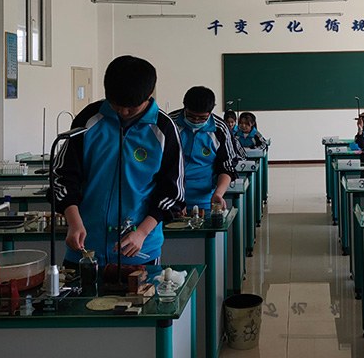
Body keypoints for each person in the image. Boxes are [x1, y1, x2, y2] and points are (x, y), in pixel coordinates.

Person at [52, 55, 184, 268]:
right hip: (85, 248)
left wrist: (142, 233)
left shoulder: (164, 129)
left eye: (131, 108)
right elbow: (62, 176)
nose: (123, 112)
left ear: (149, 96)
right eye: (116, 105)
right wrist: (74, 223)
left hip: (139, 249)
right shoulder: (88, 119)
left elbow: (172, 191)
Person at [169, 86, 238, 215]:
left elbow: (227, 167)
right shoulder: (170, 123)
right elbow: (159, 164)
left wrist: (218, 194)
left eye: (202, 118)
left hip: (206, 199)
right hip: (171, 198)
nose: (196, 121)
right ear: (184, 107)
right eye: (191, 116)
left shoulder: (220, 129)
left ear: (210, 112)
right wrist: (172, 197)